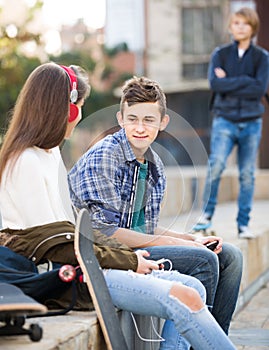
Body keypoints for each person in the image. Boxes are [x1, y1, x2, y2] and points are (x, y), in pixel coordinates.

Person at [0, 62, 236, 350]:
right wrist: (130, 260)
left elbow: (76, 232)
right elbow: (56, 246)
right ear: (68, 110)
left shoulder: (48, 156)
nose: (80, 116)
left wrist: (182, 242)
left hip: (91, 264)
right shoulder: (24, 161)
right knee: (186, 292)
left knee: (195, 287)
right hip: (67, 277)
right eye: (80, 107)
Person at [68, 74, 243, 343]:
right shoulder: (105, 156)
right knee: (203, 261)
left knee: (230, 256)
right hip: (107, 254)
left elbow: (146, 228)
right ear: (120, 119)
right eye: (132, 119)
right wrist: (184, 245)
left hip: (135, 245)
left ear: (163, 122)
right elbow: (104, 233)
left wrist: (193, 240)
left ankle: (210, 342)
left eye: (149, 120)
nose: (140, 127)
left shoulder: (154, 165)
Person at [194, 7, 269, 239]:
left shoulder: (261, 57)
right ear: (230, 26)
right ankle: (206, 215)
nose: (240, 27)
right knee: (216, 165)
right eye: (236, 23)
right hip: (224, 119)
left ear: (252, 28)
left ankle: (243, 224)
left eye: (245, 23)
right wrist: (245, 81)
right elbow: (216, 84)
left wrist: (232, 81)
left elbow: (259, 88)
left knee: (247, 174)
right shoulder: (220, 54)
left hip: (251, 122)